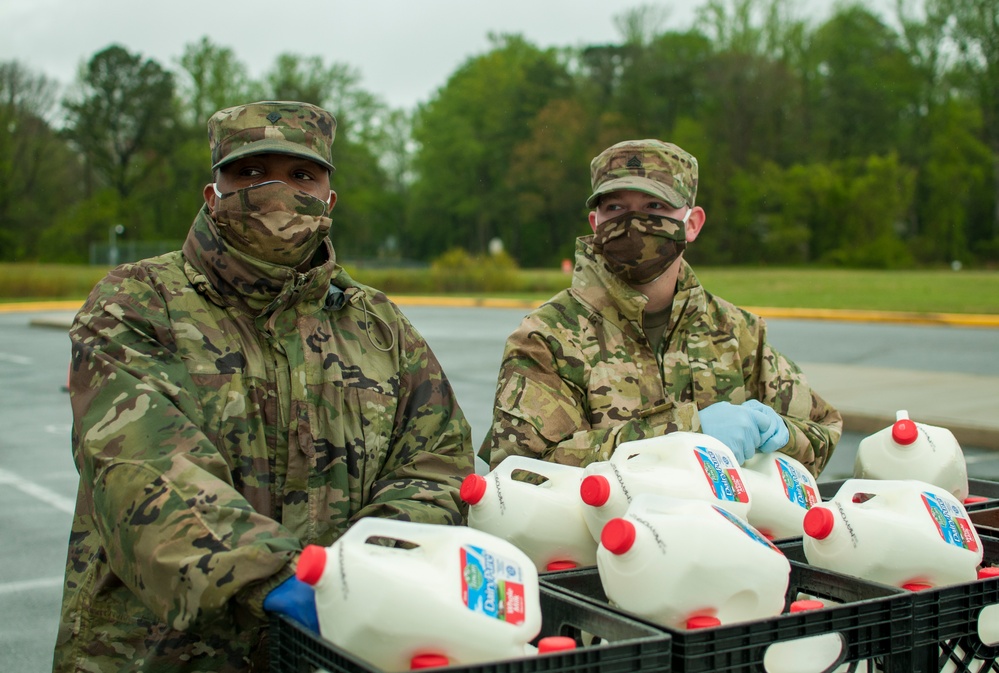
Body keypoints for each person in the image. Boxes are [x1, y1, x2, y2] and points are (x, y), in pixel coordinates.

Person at [53, 101, 474, 672]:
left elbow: (436, 461)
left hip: (337, 649)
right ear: (212, 194)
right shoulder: (138, 303)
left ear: (329, 201)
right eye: (251, 173)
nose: (276, 191)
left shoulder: (378, 326)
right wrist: (282, 580)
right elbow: (140, 468)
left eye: (301, 175)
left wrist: (371, 566)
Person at [479, 139, 841, 476]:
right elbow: (522, 471)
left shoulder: (736, 331)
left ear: (692, 223)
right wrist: (687, 433)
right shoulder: (548, 337)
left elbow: (823, 429)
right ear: (596, 223)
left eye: (655, 206)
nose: (634, 224)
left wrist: (781, 434)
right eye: (616, 208)